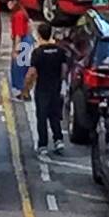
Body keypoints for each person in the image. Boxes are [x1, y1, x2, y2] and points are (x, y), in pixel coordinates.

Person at [21, 22, 68, 155]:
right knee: (55, 114)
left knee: (41, 116)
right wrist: (60, 81)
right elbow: (64, 69)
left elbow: (31, 73)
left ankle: (43, 144)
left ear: (39, 35)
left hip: (42, 88)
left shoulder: (38, 53)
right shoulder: (60, 51)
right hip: (56, 87)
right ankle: (58, 140)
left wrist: (25, 89)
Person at [7, 0, 33, 96]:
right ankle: (25, 92)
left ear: (14, 2)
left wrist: (16, 50)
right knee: (24, 68)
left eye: (10, 1)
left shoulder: (18, 15)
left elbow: (18, 34)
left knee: (19, 69)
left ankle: (22, 92)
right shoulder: (22, 12)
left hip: (22, 43)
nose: (8, 4)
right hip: (26, 42)